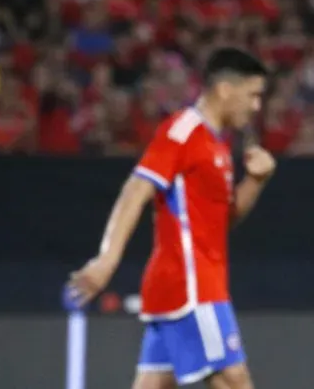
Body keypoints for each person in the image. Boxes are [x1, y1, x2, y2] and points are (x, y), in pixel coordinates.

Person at [68, 47, 274, 389]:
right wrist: (107, 260)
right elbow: (136, 189)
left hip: (182, 286)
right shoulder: (183, 130)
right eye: (252, 95)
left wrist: (255, 181)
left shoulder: (216, 145)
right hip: (193, 285)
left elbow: (221, 220)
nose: (256, 107)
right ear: (225, 89)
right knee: (234, 381)